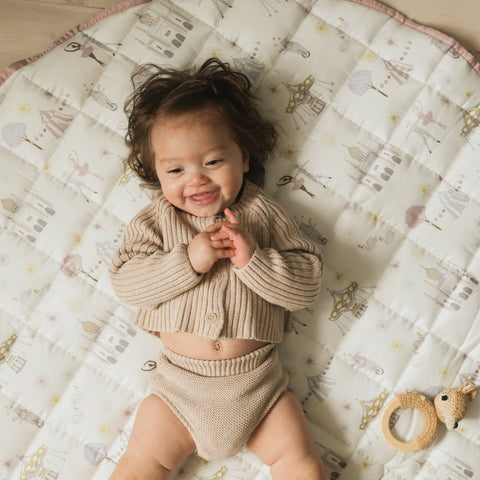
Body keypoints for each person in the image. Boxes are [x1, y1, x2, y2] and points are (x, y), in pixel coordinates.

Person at [108, 57, 326, 480]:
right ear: (156, 173)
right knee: (139, 465)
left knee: (300, 465)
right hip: (178, 391)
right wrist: (187, 261)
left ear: (243, 157)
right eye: (176, 169)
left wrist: (254, 262)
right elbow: (126, 281)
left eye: (212, 162)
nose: (197, 180)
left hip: (260, 387)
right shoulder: (156, 222)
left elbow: (307, 285)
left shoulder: (263, 215)